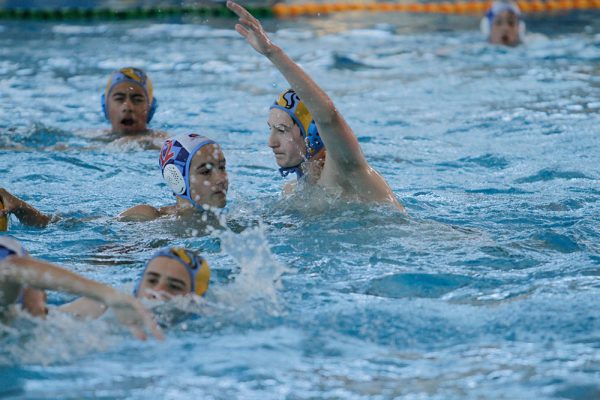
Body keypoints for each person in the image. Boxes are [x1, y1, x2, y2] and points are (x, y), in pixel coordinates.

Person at [226, 1, 404, 212]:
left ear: (313, 135)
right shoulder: (292, 192)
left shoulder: (346, 169)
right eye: (271, 129)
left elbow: (328, 117)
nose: (271, 143)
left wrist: (273, 53)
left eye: (282, 130)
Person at [0, 235, 163, 341]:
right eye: (37, 282)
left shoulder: (55, 320)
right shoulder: (8, 312)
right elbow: (14, 268)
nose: (43, 288)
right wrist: (107, 294)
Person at [60, 247, 211, 320]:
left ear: (195, 297)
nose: (157, 291)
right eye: (151, 281)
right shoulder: (99, 308)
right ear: (139, 284)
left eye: (174, 286)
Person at [119, 133, 229, 221]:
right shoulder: (148, 217)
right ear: (177, 178)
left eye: (222, 167)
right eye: (206, 172)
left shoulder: (231, 223)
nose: (221, 179)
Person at [101, 67, 168, 149]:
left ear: (150, 108)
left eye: (137, 99)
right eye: (119, 98)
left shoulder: (162, 140)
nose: (128, 107)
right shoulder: (91, 137)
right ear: (106, 106)